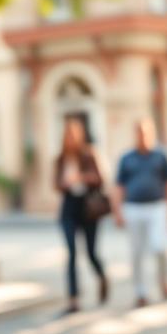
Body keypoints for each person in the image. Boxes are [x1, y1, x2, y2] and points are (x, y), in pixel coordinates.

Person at [112, 118, 167, 307]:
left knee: (161, 248)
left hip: (157, 207)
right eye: (139, 133)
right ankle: (140, 292)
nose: (142, 136)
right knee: (136, 252)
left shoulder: (161, 155)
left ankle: (164, 281)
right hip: (133, 208)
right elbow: (118, 186)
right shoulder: (127, 158)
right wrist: (117, 211)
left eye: (146, 132)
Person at [54, 117, 109, 314]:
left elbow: (100, 179)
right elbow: (56, 184)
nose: (70, 138)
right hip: (69, 208)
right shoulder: (61, 158)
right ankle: (73, 299)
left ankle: (102, 276)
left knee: (91, 252)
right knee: (71, 254)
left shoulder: (89, 155)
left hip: (88, 208)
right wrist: (65, 183)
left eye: (73, 134)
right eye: (67, 134)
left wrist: (82, 177)